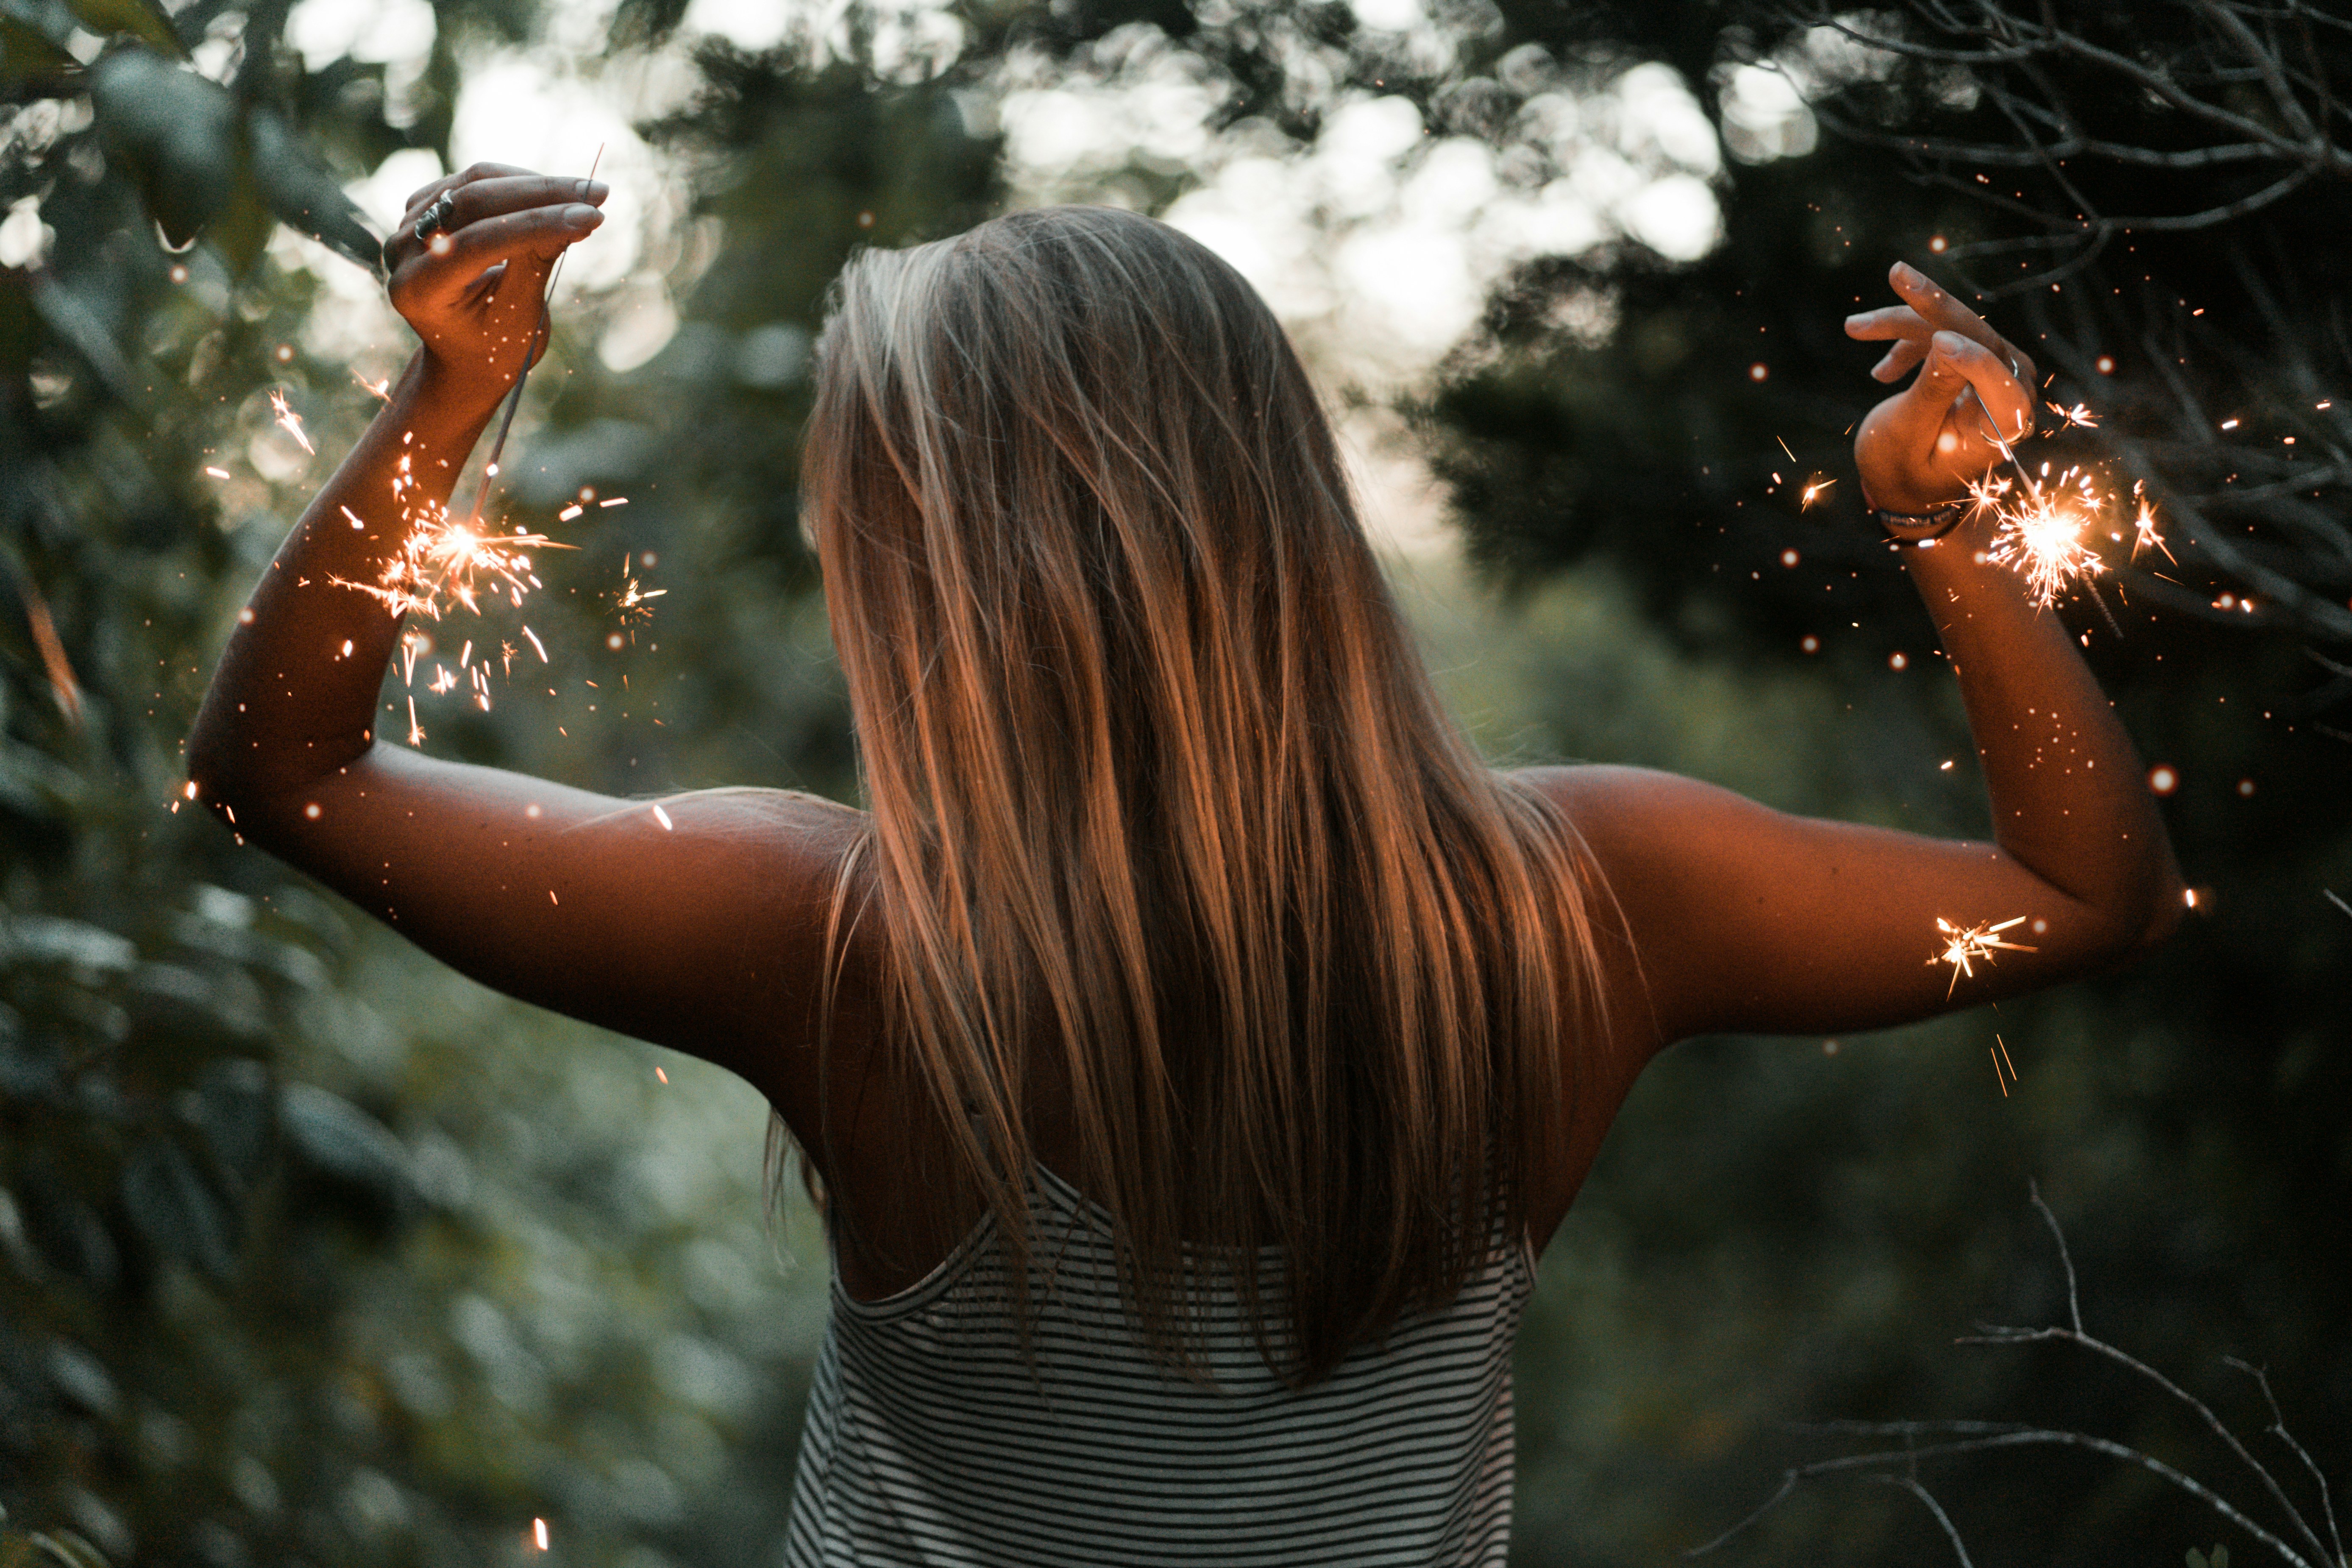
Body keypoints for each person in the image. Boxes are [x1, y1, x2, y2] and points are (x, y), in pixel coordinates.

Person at [189, 167, 2184, 1565]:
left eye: (854, 507)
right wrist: (1951, 535)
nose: (828, 551)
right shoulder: (1580, 906)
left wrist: (454, 397)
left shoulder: (836, 945)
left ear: (946, 578)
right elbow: (2085, 892)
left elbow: (278, 769)